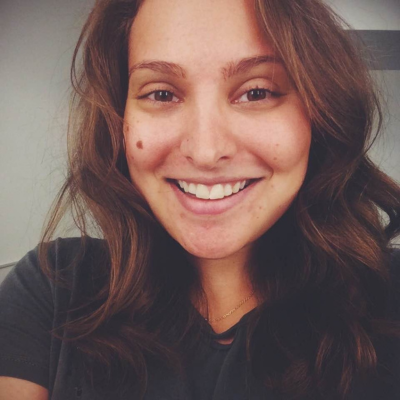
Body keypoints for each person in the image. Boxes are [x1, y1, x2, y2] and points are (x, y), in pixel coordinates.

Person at [1, 0, 400, 399]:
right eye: (161, 93)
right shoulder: (54, 288)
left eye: (256, 92)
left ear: (320, 112)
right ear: (118, 119)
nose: (206, 152)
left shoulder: (389, 298)